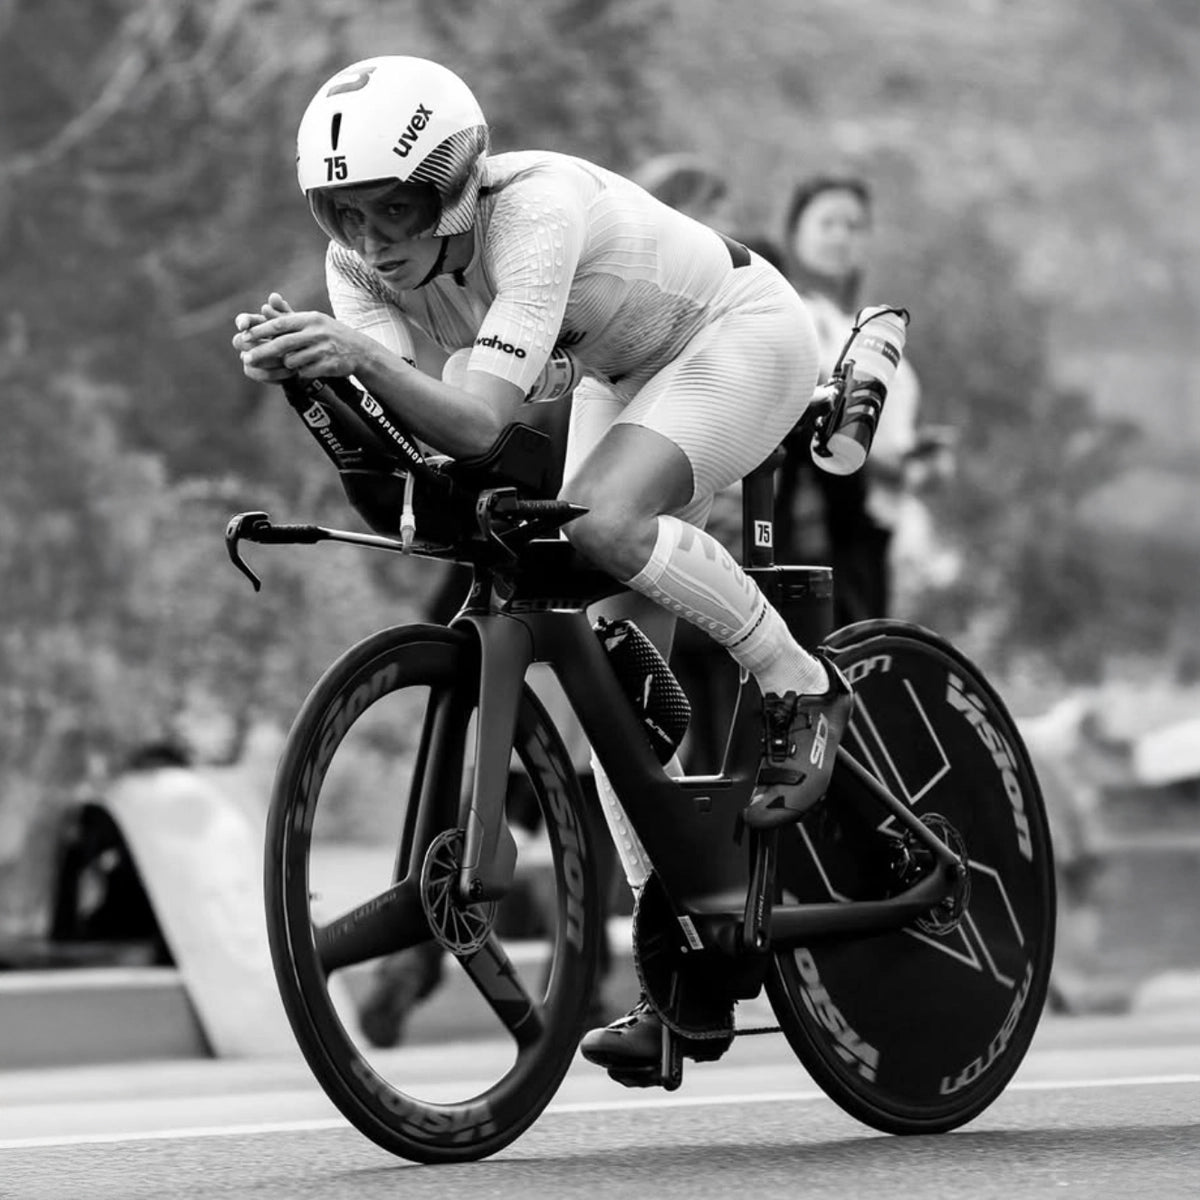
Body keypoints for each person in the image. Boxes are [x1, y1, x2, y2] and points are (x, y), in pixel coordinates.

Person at [232, 55, 855, 1074]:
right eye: (345, 214)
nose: (373, 242)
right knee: (604, 684)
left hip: (739, 334)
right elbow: (417, 443)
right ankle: (679, 970)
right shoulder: (358, 269)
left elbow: (479, 421)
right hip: (622, 374)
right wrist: (309, 383)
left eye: (396, 209)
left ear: (454, 182)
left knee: (605, 524)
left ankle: (800, 683)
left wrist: (357, 359)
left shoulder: (534, 212)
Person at [775, 175, 946, 624]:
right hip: (822, 526)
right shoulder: (790, 313)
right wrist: (894, 466)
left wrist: (919, 459)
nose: (841, 237)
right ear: (794, 232)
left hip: (878, 530)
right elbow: (809, 420)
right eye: (827, 223)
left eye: (854, 226)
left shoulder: (869, 324)